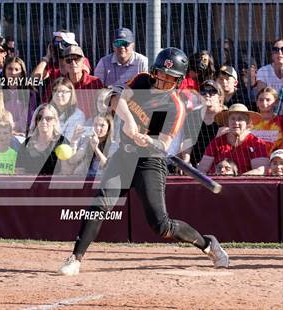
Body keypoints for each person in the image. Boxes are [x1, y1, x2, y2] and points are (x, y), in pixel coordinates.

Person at [59, 47, 230, 276]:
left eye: (169, 79)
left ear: (178, 81)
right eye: (160, 75)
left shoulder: (173, 107)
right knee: (99, 205)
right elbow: (114, 99)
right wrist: (129, 122)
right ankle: (75, 258)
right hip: (124, 157)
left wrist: (148, 140)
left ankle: (207, 244)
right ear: (153, 72)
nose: (162, 82)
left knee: (161, 225)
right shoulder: (141, 81)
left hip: (150, 161)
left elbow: (164, 143)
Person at [198, 103, 269, 175]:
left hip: (245, 184)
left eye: (240, 119)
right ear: (227, 122)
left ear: (248, 123)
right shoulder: (217, 142)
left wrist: (237, 181)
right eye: (232, 119)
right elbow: (202, 169)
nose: (236, 122)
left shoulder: (256, 143)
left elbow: (261, 170)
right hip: (217, 182)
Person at [16, 104, 70, 176]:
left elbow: (67, 172)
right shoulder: (27, 144)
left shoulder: (62, 142)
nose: (44, 121)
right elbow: (19, 172)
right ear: (36, 121)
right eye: (39, 118)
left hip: (55, 186)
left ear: (55, 121)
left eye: (48, 118)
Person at [182, 80, 227, 167]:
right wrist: (186, 162)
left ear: (220, 97)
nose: (207, 94)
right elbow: (187, 143)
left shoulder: (226, 116)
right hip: (194, 164)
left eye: (212, 91)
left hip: (219, 164)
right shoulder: (193, 116)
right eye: (203, 92)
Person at [55, 45, 103, 120]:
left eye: (77, 59)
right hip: (66, 125)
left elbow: (102, 107)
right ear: (64, 63)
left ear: (83, 61)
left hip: (90, 125)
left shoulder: (95, 82)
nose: (73, 63)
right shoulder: (59, 84)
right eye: (69, 60)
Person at [68, 112, 118, 176]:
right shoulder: (87, 142)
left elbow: (108, 167)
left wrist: (96, 148)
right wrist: (74, 140)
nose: (97, 128)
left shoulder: (113, 146)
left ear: (109, 128)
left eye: (102, 125)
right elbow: (72, 161)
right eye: (95, 125)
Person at [2, 56, 38, 137]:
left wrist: (12, 129)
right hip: (0, 132)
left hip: (22, 134)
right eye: (10, 69)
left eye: (17, 69)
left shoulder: (30, 92)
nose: (13, 72)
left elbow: (29, 117)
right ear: (4, 71)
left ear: (22, 73)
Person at [251, 87, 283, 155]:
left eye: (268, 100)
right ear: (257, 103)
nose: (264, 102)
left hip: (278, 161)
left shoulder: (281, 121)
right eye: (261, 100)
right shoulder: (250, 122)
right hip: (255, 159)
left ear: (276, 102)